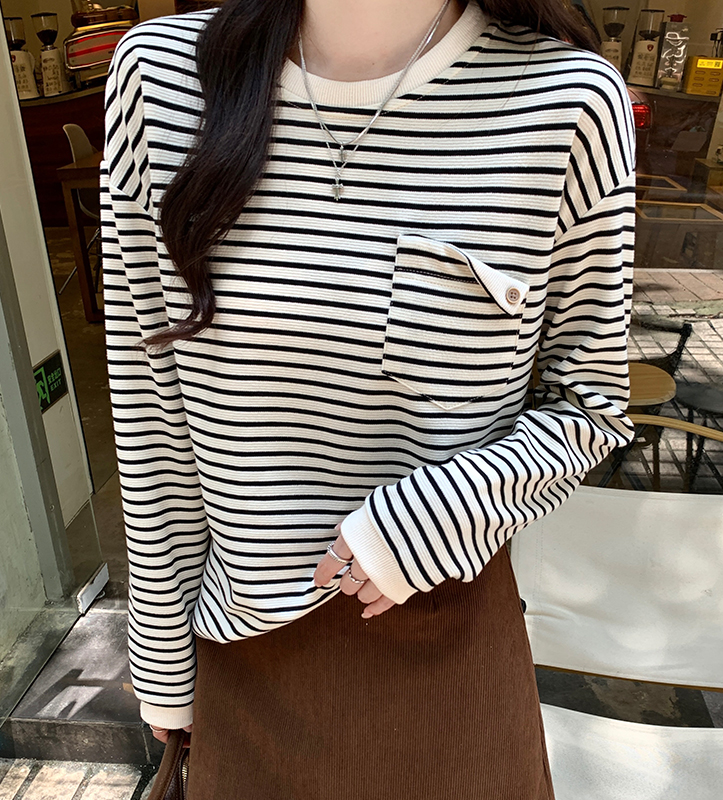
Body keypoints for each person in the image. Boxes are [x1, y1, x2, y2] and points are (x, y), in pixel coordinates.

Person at [101, 0, 635, 796]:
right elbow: (153, 417)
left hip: (447, 638)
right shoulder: (162, 80)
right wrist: (162, 665)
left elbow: (590, 408)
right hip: (247, 652)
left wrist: (433, 513)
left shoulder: (565, 101)